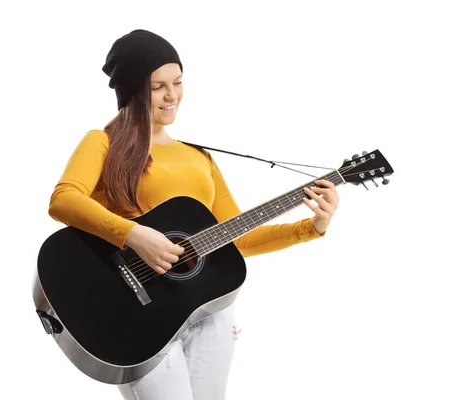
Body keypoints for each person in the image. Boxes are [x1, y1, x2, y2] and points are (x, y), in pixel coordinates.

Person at [48, 29, 339, 400]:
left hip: (207, 310)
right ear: (133, 91)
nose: (172, 96)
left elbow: (238, 239)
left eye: (178, 82)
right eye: (158, 87)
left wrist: (312, 226)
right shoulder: (102, 143)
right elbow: (63, 200)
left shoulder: (199, 158)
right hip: (143, 315)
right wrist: (134, 235)